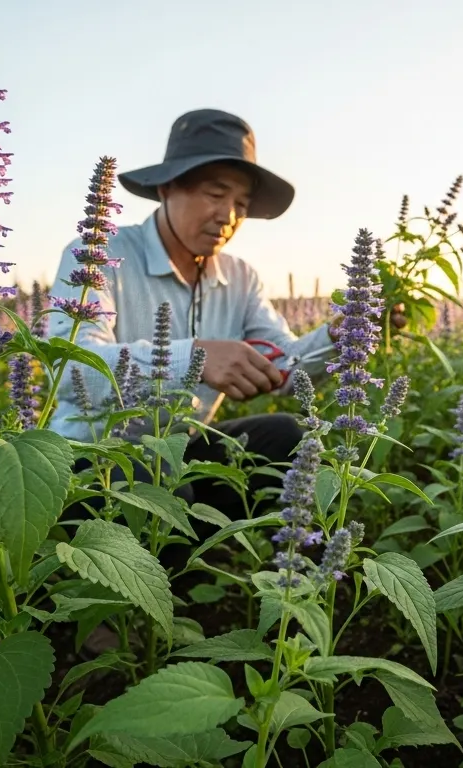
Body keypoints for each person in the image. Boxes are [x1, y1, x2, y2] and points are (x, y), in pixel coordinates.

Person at [45, 108, 398, 528]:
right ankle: (150, 585)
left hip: (181, 447)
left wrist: (343, 335)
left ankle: (233, 560)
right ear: (168, 187)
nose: (228, 217)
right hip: (92, 455)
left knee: (288, 436)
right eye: (216, 194)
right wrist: (193, 358)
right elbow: (70, 367)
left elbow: (284, 365)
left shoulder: (239, 277)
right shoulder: (95, 255)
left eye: (242, 205)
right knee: (159, 486)